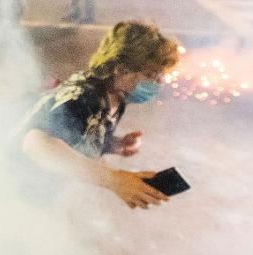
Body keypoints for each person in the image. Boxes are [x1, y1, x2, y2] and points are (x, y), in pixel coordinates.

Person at [17, 21, 180, 209]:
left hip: (39, 191)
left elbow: (79, 133)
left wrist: (112, 144)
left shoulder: (117, 97)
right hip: (12, 190)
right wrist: (115, 180)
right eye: (151, 74)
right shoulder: (83, 98)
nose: (158, 82)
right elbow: (35, 144)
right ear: (122, 70)